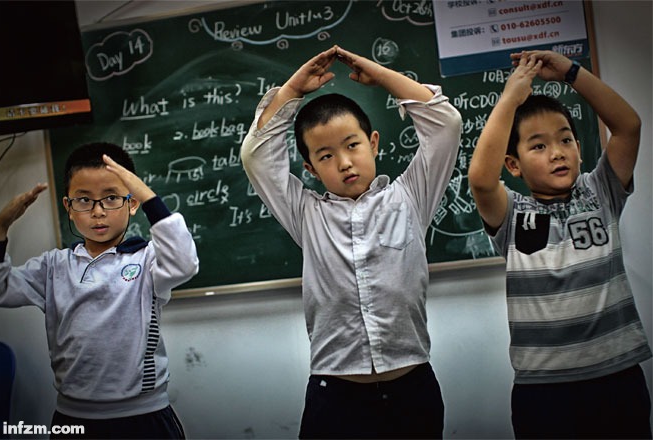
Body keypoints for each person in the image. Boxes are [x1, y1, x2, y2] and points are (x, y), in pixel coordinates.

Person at [241, 45, 461, 438]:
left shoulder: (409, 197)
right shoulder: (306, 214)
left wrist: (383, 78)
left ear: (374, 143)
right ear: (308, 167)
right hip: (335, 394)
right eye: (325, 156)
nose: (344, 162)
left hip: (412, 387)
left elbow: (445, 124)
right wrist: (291, 90)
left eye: (353, 145)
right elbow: (256, 158)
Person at [468, 50, 652, 438]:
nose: (557, 153)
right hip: (545, 391)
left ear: (579, 147)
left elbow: (628, 127)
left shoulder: (600, 190)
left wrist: (571, 72)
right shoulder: (511, 214)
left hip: (618, 377)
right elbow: (482, 180)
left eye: (565, 139)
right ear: (513, 165)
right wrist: (510, 99)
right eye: (537, 146)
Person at [0, 142, 199, 439]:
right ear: (69, 208)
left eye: (112, 197)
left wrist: (147, 195)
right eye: (84, 200)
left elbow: (185, 262)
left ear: (132, 203)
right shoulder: (54, 267)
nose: (98, 212)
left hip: (144, 415)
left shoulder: (147, 259)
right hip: (74, 417)